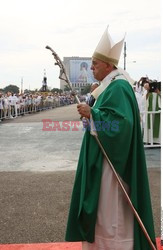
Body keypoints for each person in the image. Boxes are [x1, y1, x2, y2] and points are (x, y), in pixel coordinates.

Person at [65, 26, 156, 249]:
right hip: (103, 160)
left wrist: (93, 114)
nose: (92, 67)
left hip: (112, 167)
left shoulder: (119, 87)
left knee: (110, 213)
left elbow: (122, 126)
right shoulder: (107, 87)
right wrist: (90, 117)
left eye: (95, 63)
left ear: (108, 65)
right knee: (103, 214)